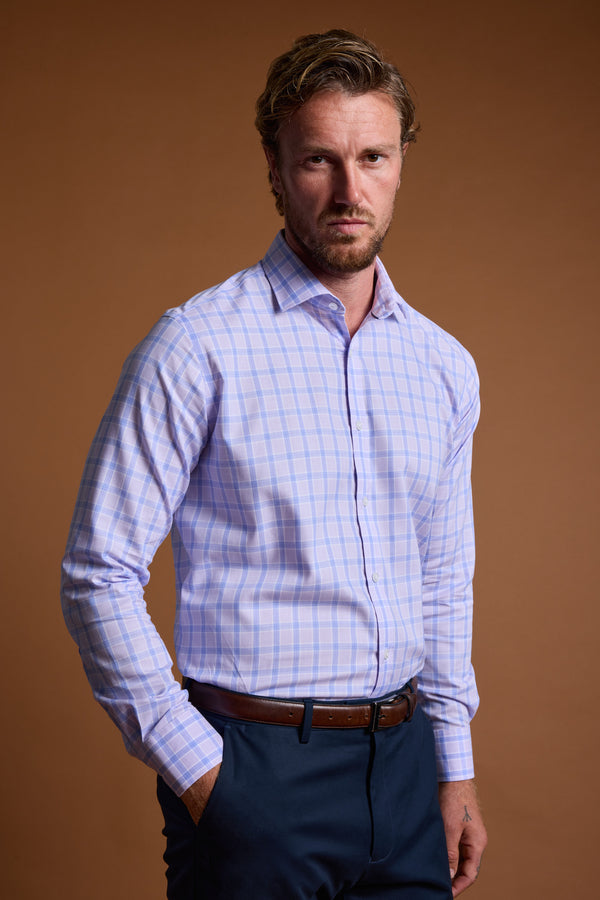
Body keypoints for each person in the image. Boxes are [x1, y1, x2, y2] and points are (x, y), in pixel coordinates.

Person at [61, 29, 487, 900]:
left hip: (407, 775)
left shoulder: (444, 365)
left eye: (372, 156)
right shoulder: (196, 349)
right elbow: (97, 573)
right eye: (317, 161)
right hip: (253, 769)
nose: (348, 191)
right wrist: (206, 779)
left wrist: (454, 767)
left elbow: (444, 579)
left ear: (401, 159)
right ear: (273, 164)